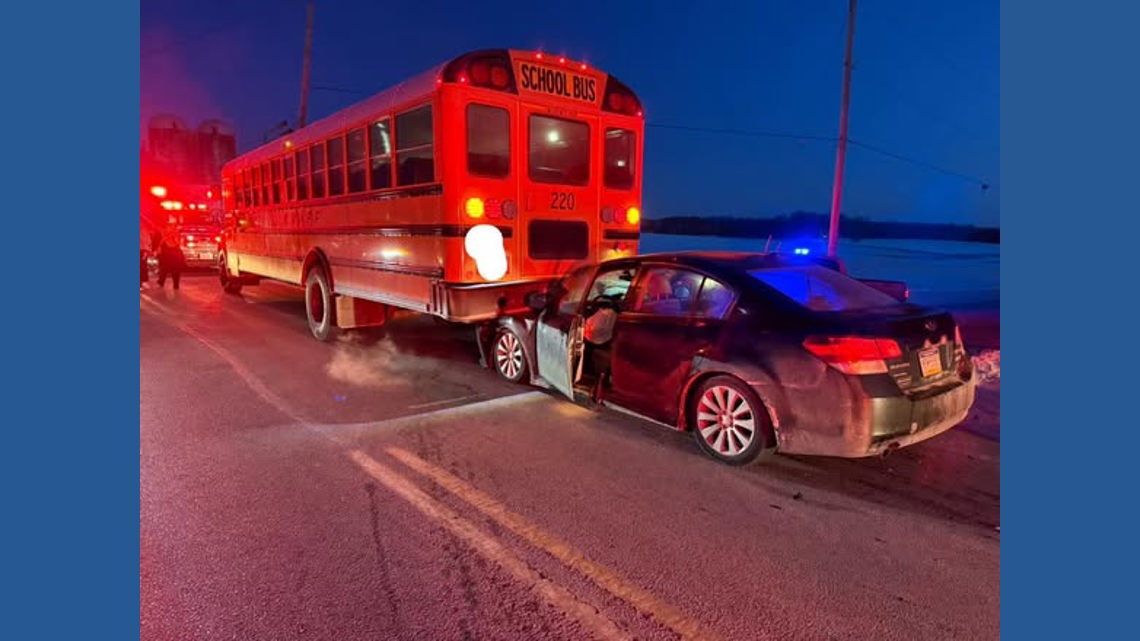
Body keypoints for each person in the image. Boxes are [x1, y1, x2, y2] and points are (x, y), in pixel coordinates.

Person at [155, 224, 186, 290]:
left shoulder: (175, 233)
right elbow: (158, 244)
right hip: (167, 254)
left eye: (172, 227)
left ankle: (174, 284)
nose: (171, 228)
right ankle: (163, 282)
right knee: (165, 269)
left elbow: (178, 243)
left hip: (173, 254)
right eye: (169, 226)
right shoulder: (163, 233)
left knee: (172, 270)